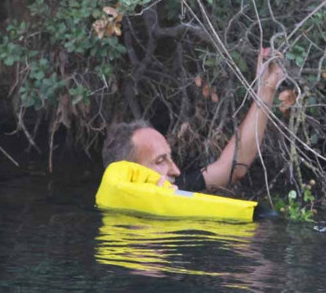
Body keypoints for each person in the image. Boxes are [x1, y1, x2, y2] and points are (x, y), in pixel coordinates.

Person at [102, 48, 286, 193]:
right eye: (160, 161)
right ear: (129, 174)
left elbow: (232, 168)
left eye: (170, 158)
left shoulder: (177, 186)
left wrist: (267, 89)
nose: (176, 170)